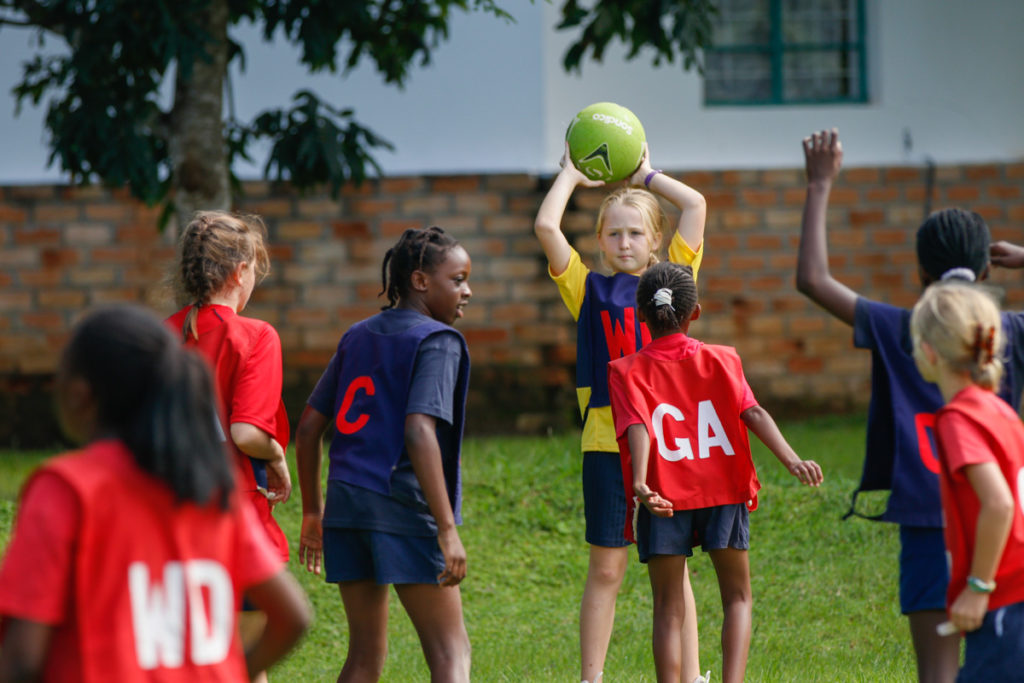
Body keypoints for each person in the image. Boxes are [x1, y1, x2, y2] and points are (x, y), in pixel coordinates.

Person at [796, 128, 1024, 682]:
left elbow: (813, 279)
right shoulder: (1009, 332)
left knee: (938, 673)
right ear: (991, 271)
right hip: (1004, 526)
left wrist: (820, 183)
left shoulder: (903, 328)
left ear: (920, 274)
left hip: (928, 520)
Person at [0, 304, 309, 682]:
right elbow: (293, 616)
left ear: (80, 393)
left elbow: (22, 659)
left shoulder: (67, 489)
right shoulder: (213, 488)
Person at [534, 142, 708, 683]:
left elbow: (696, 205)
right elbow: (546, 227)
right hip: (606, 443)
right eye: (614, 233)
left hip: (667, 445)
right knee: (606, 567)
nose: (625, 242)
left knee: (673, 572)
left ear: (656, 240)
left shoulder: (673, 281)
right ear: (600, 241)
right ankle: (592, 678)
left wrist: (645, 174)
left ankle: (693, 675)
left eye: (636, 233)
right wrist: (569, 175)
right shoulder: (587, 289)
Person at [608, 262, 822, 683]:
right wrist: (792, 459)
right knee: (738, 597)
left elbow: (638, 427)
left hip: (665, 495)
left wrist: (639, 484)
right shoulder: (723, 359)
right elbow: (753, 412)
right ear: (696, 312)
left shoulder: (625, 370)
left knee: (668, 607)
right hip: (723, 491)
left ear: (641, 315)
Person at [294, 226, 473, 682]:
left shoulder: (357, 335)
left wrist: (313, 512)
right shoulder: (437, 340)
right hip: (401, 503)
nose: (467, 290)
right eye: (457, 280)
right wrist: (447, 530)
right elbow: (418, 430)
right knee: (451, 654)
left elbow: (310, 427)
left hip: (347, 503)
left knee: (364, 657)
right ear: (419, 281)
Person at [166, 211, 293, 681]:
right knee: (243, 663)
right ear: (240, 271)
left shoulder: (159, 335)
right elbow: (245, 433)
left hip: (167, 517)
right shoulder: (256, 336)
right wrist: (279, 459)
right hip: (232, 520)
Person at [910, 282, 1024, 680]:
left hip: (1005, 603)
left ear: (929, 352)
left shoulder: (958, 420)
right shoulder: (1000, 410)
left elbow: (1000, 503)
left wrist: (978, 587)